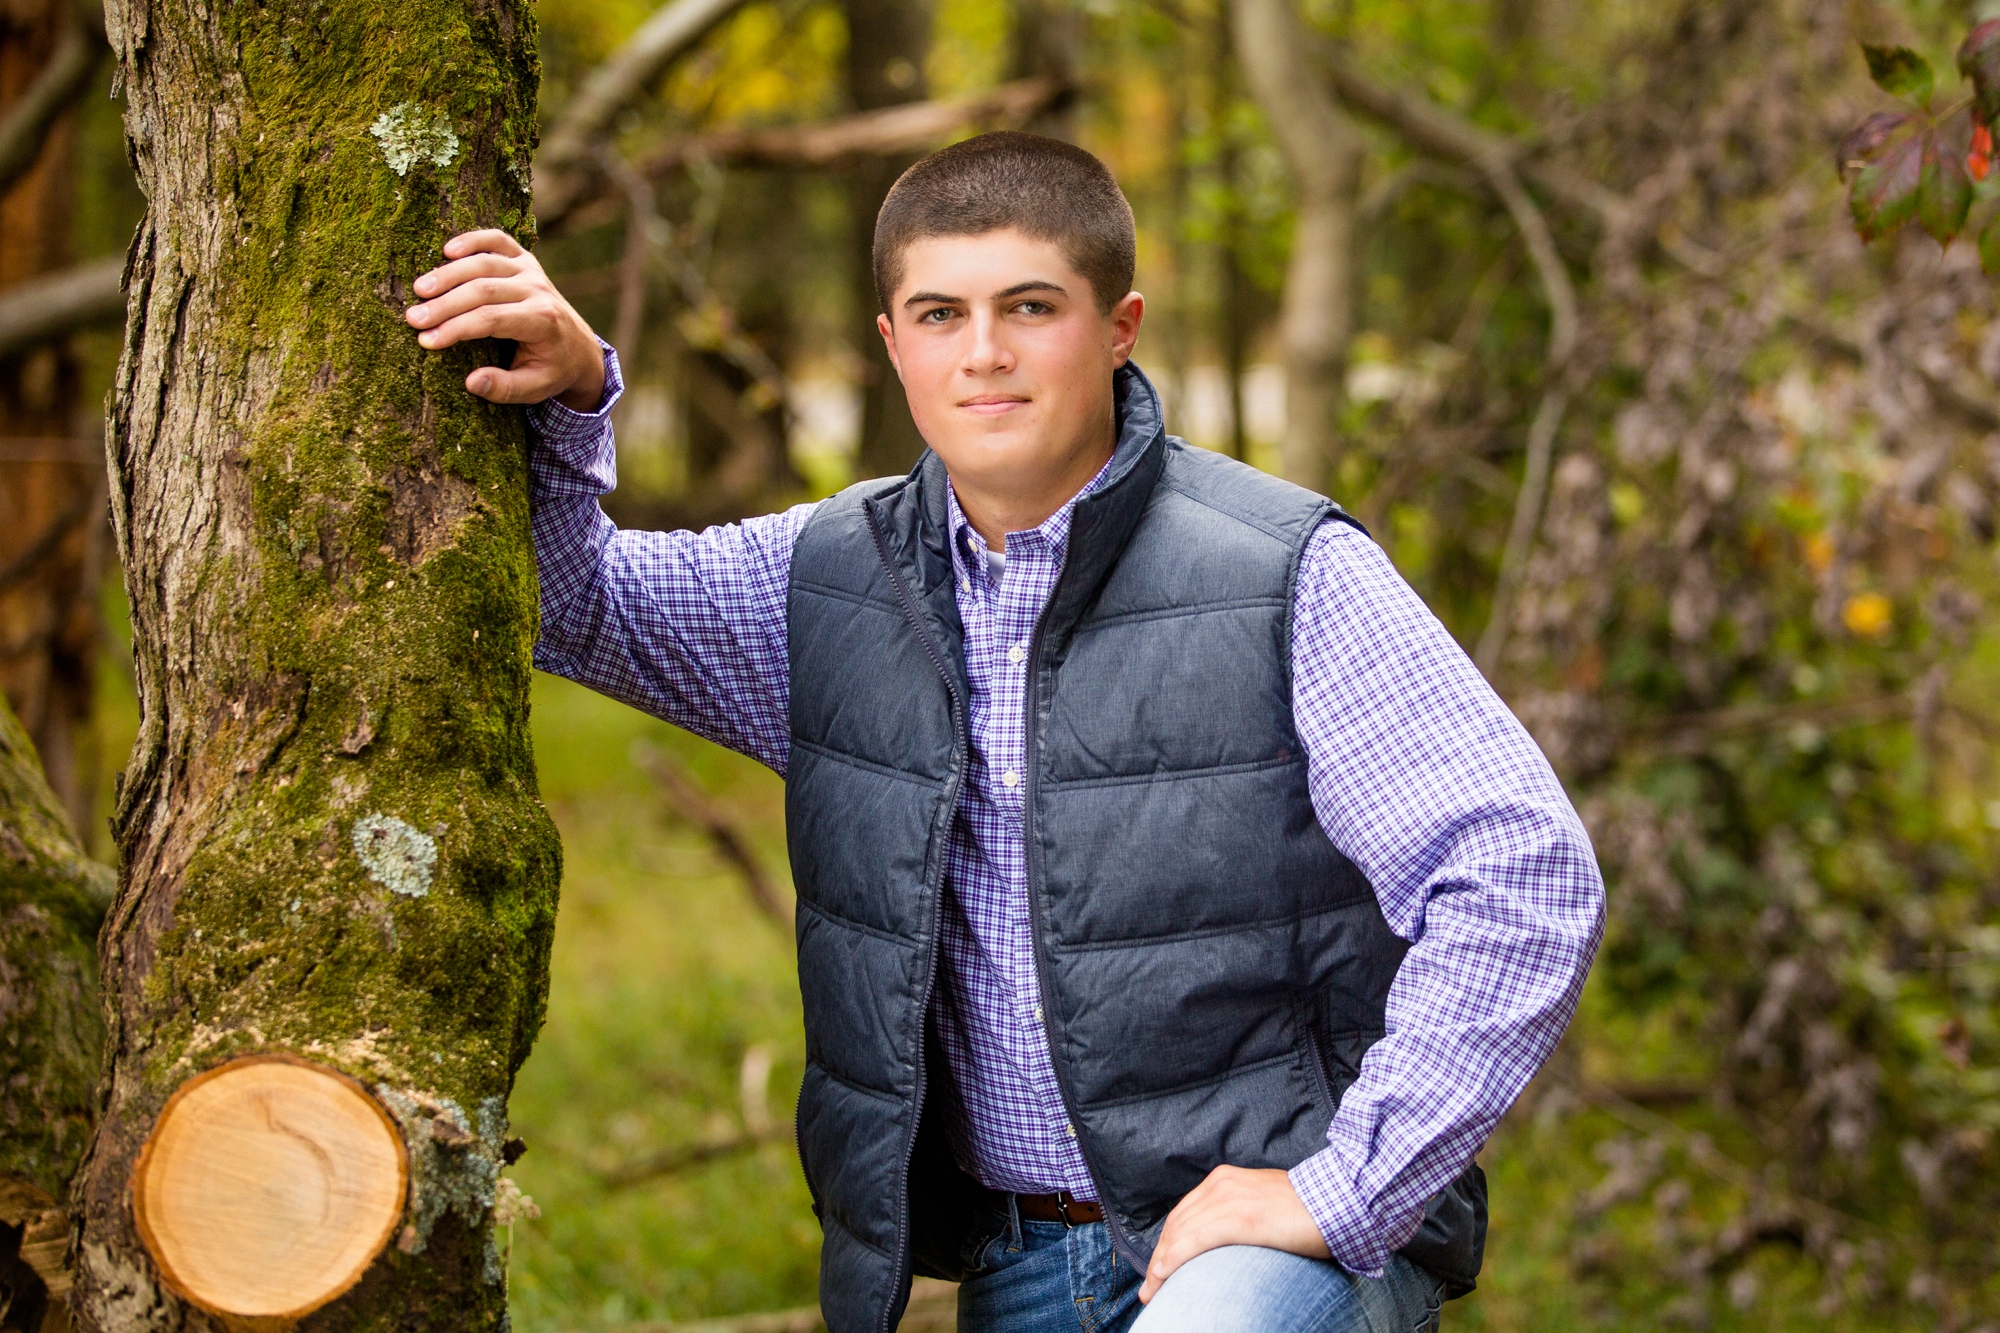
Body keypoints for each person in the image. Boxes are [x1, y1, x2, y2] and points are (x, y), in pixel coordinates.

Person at [403, 132, 1604, 1333]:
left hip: (1260, 1256)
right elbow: (574, 603)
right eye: (938, 314)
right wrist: (567, 395)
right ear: (890, 344)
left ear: (1118, 325)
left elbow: (1521, 874)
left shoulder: (1285, 576)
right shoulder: (826, 582)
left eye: (1029, 307)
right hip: (1012, 1263)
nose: (982, 354)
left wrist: (1345, 1189)